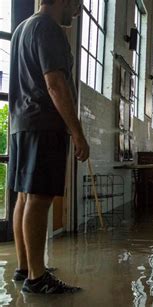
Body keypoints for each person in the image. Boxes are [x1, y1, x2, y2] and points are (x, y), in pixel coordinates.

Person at [8, 0, 89, 294]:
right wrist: (77, 132)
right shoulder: (49, 28)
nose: (78, 10)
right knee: (39, 198)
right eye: (77, 3)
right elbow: (55, 83)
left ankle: (25, 267)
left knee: (24, 197)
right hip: (43, 123)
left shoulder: (21, 29)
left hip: (21, 124)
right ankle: (37, 278)